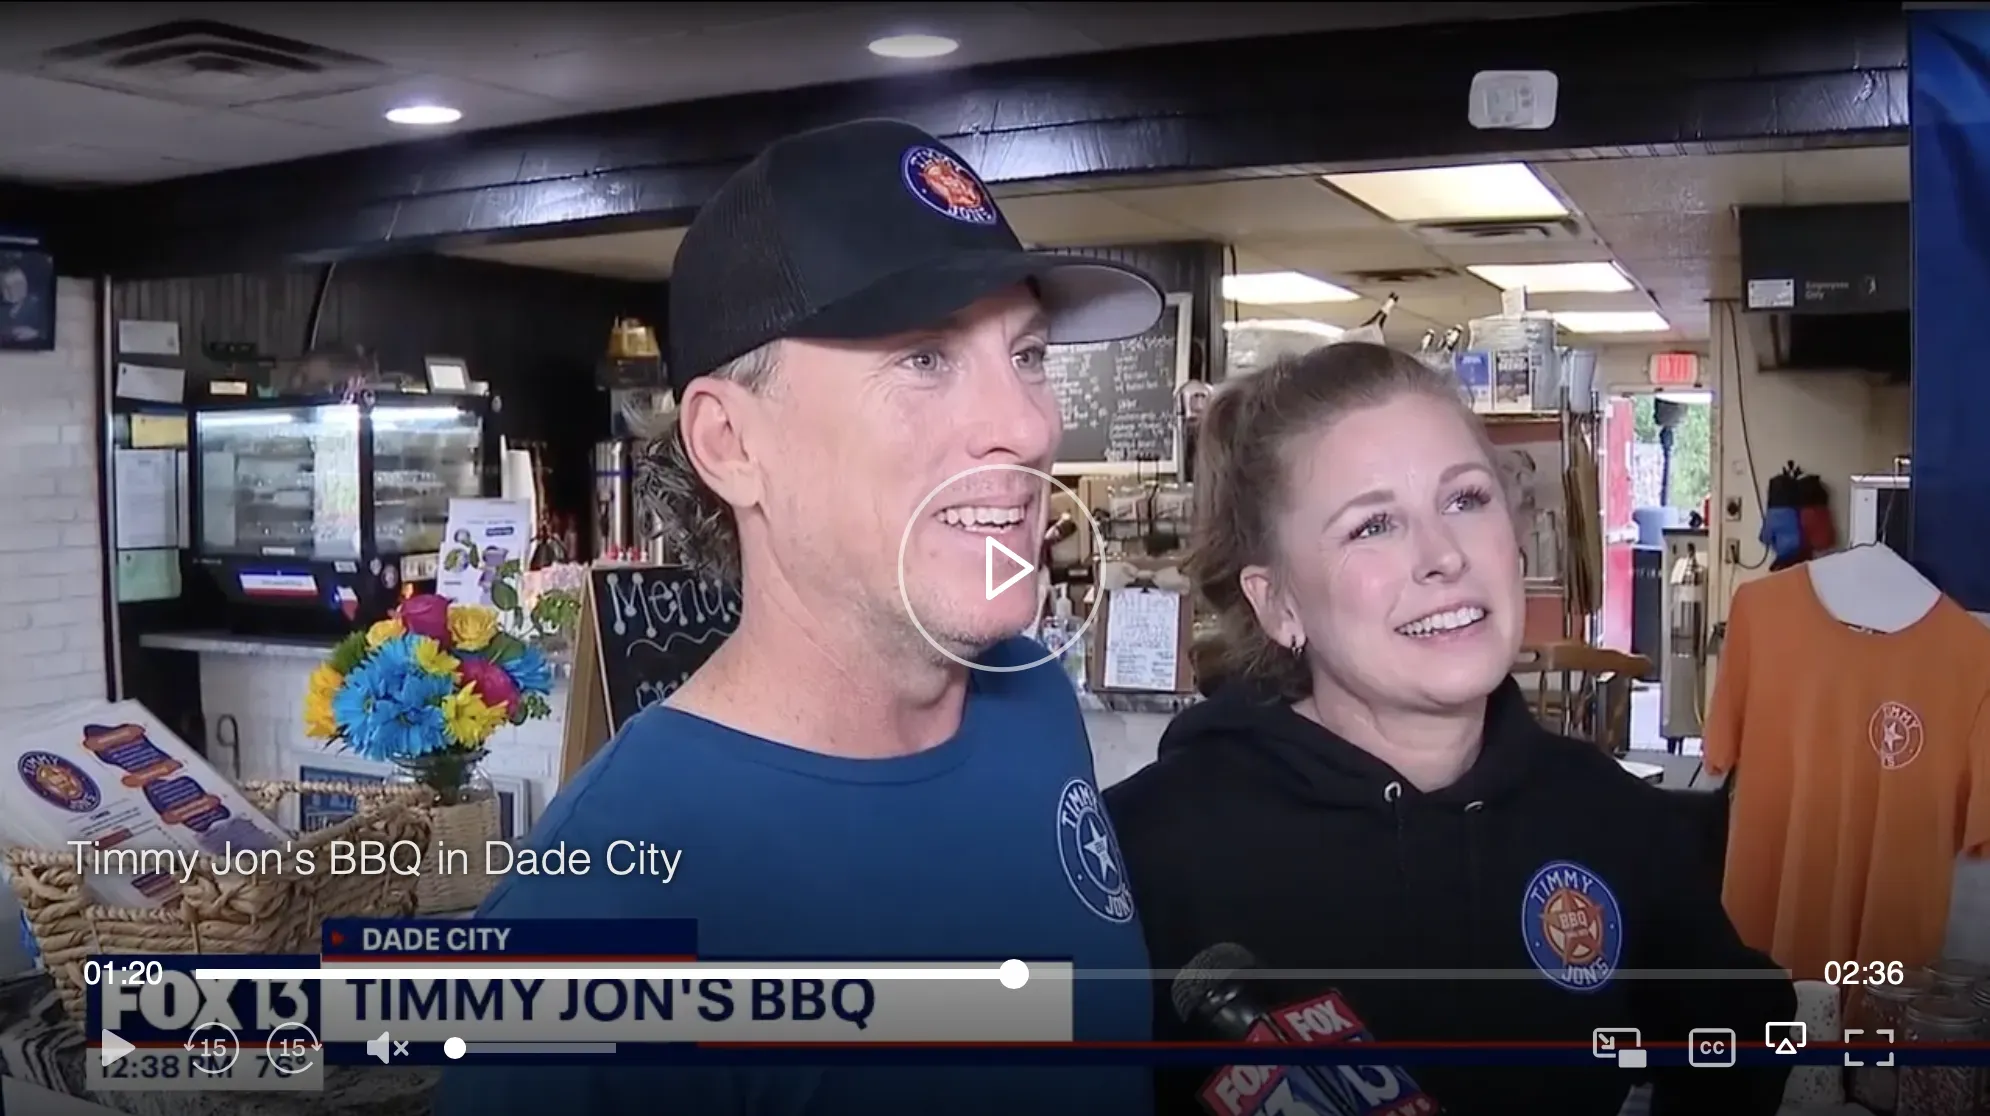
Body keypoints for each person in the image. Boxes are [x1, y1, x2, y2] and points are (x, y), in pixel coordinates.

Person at [436, 119, 1165, 1116]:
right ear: (731, 442)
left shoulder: (1028, 690)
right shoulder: (600, 918)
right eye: (923, 359)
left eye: (1028, 353)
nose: (1032, 426)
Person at [1106, 342, 1794, 1116]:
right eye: (1372, 527)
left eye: (1466, 499)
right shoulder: (1143, 852)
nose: (1442, 557)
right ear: (1277, 605)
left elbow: (1746, 1033)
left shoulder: (1611, 817)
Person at [0, 263, 47, 346]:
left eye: (21, 283)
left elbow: (49, 333)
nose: (21, 289)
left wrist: (36, 333)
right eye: (13, 285)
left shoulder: (39, 305)